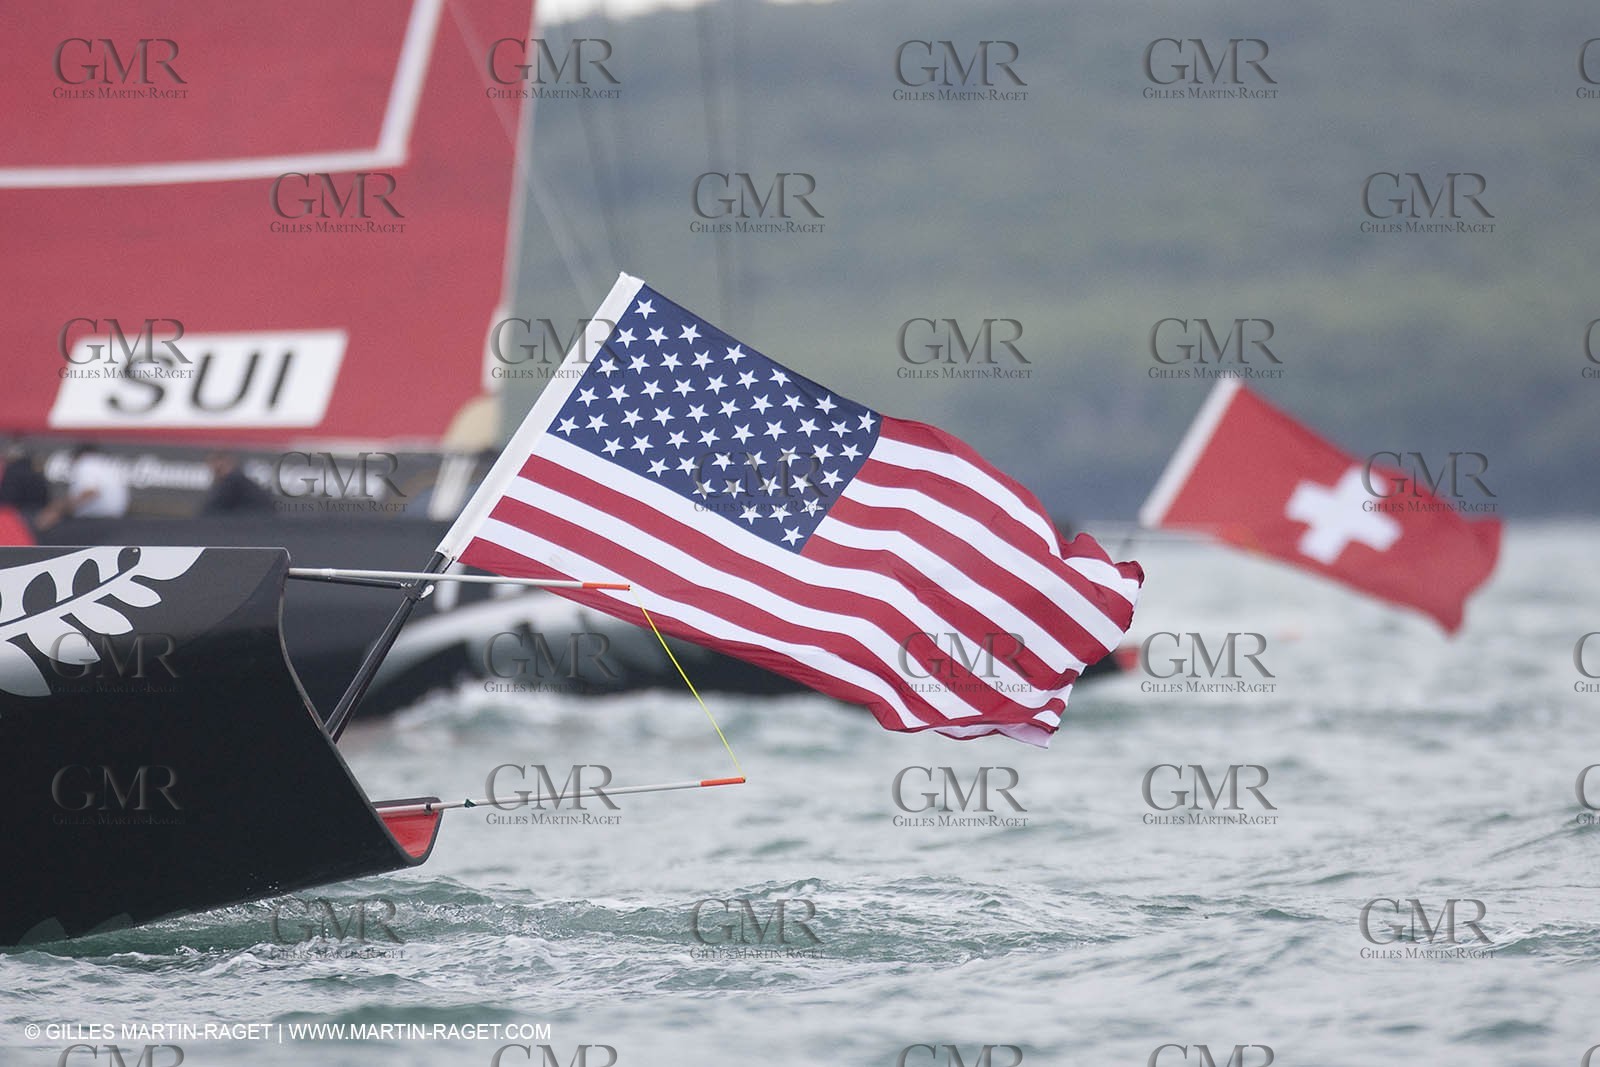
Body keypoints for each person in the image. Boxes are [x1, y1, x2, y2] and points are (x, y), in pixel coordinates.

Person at [200, 452, 276, 514]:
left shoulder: (233, 481)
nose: (214, 470)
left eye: (218, 468)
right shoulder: (237, 480)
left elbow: (212, 509)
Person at [0, 443, 50, 513]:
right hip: (35, 511)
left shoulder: (10, 471)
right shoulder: (34, 473)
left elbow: (7, 496)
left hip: (15, 512)